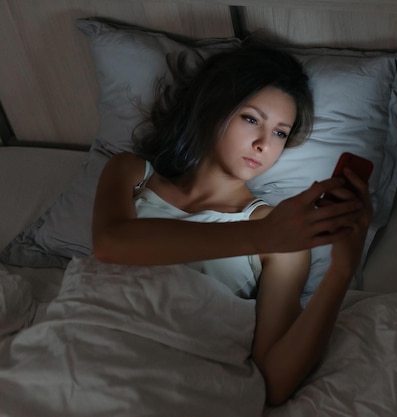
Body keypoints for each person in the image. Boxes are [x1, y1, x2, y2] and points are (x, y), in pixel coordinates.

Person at [91, 44, 372, 406]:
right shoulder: (130, 172)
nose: (263, 144)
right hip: (89, 347)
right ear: (213, 108)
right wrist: (263, 236)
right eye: (252, 119)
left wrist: (342, 270)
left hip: (166, 386)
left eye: (280, 133)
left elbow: (272, 383)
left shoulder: (278, 231)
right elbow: (111, 245)